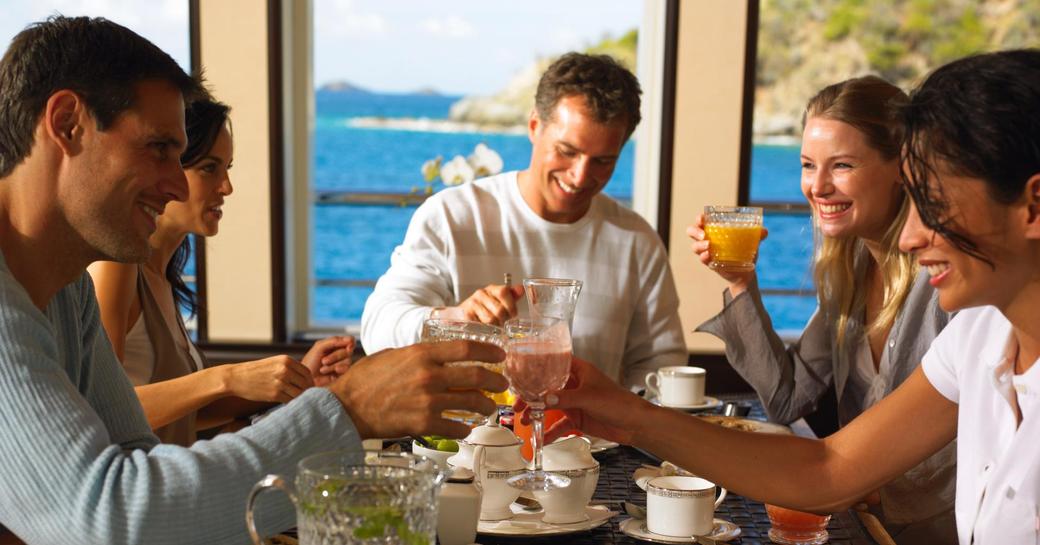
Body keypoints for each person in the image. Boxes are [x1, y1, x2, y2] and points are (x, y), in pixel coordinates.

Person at [0, 16, 507, 544]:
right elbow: (114, 519)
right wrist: (348, 410)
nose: (176, 184)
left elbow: (137, 458)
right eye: (158, 149)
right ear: (67, 124)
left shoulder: (68, 289)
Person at [542, 49, 1040, 544]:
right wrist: (622, 412)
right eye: (807, 165)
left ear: (1033, 206)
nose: (909, 237)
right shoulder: (980, 336)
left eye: (932, 203)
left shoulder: (963, 310)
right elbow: (829, 467)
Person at [688, 76, 956, 542]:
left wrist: (867, 485)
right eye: (808, 165)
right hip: (861, 527)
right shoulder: (847, 271)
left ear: (901, 166)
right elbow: (787, 399)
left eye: (843, 165)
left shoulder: (947, 278)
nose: (818, 186)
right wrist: (740, 282)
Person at [360, 52, 686, 388]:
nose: (579, 176)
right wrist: (454, 319)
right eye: (567, 151)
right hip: (466, 438)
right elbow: (377, 330)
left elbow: (661, 366)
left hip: (593, 441)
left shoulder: (636, 240)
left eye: (603, 161)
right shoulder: (451, 216)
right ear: (534, 126)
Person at [88, 98, 354, 446]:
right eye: (210, 168)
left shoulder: (162, 277)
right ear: (167, 170)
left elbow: (187, 412)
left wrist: (296, 380)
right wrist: (225, 378)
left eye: (227, 168)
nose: (226, 186)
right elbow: (100, 410)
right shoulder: (116, 266)